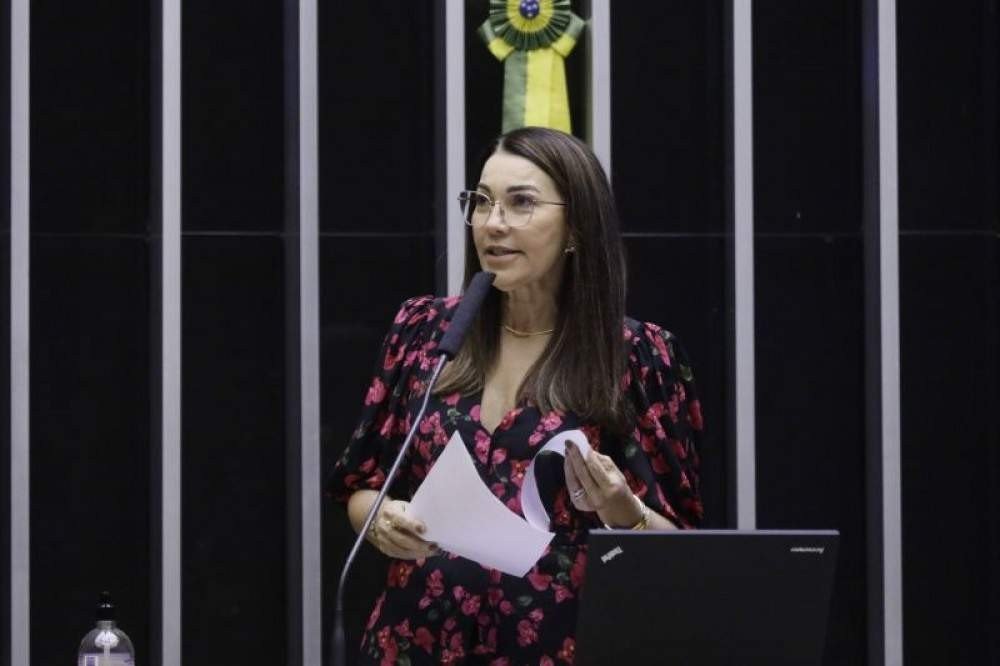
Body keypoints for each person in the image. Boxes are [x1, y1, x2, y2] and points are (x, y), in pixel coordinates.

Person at [328, 126, 703, 665]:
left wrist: (624, 511)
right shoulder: (425, 330)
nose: (493, 223)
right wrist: (382, 517)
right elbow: (361, 482)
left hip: (561, 644)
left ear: (576, 227)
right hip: (417, 640)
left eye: (520, 203)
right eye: (481, 202)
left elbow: (685, 550)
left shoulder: (638, 354)